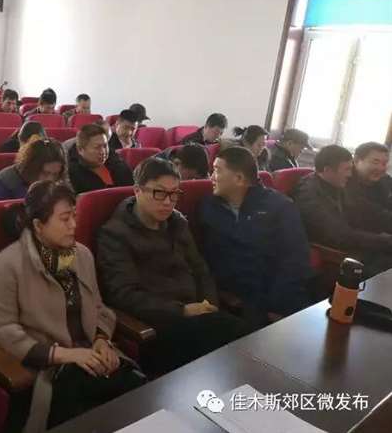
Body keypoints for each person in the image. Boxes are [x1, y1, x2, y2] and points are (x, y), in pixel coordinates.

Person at [0, 180, 145, 431]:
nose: (73, 225)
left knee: (138, 392)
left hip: (91, 355)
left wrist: (102, 340)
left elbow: (99, 308)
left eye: (74, 216)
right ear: (38, 225)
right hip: (51, 368)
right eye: (64, 219)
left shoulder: (81, 254)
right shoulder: (10, 263)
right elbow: (1, 331)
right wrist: (67, 355)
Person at [96, 159, 249, 373]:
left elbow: (200, 270)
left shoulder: (176, 222)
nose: (168, 202)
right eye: (159, 193)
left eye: (174, 194)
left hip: (198, 316)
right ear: (138, 190)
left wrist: (209, 305)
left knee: (243, 338)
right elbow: (124, 295)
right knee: (238, 340)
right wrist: (182, 311)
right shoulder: (115, 234)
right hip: (158, 324)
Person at [200, 147, 313, 326]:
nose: (211, 177)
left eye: (217, 171)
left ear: (239, 178)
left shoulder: (280, 207)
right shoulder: (209, 207)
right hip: (238, 297)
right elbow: (209, 258)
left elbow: (296, 259)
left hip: (281, 295)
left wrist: (276, 304)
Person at [293, 145, 392, 276]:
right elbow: (339, 235)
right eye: (347, 170)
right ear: (327, 170)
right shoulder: (309, 195)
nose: (350, 174)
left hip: (352, 243)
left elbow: (368, 211)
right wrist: (385, 241)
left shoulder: (336, 184)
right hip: (332, 252)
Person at [0, 138, 67, 202]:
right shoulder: (3, 187)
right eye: (45, 173)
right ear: (31, 168)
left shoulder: (58, 182)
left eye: (55, 174)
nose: (50, 179)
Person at [68, 123, 133, 194]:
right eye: (97, 147)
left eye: (105, 146)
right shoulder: (72, 174)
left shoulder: (118, 164)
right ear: (80, 149)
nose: (103, 151)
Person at [346, 142, 392, 234]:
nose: (381, 168)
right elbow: (376, 215)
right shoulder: (343, 183)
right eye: (375, 162)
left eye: (384, 163)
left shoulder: (385, 180)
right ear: (356, 160)